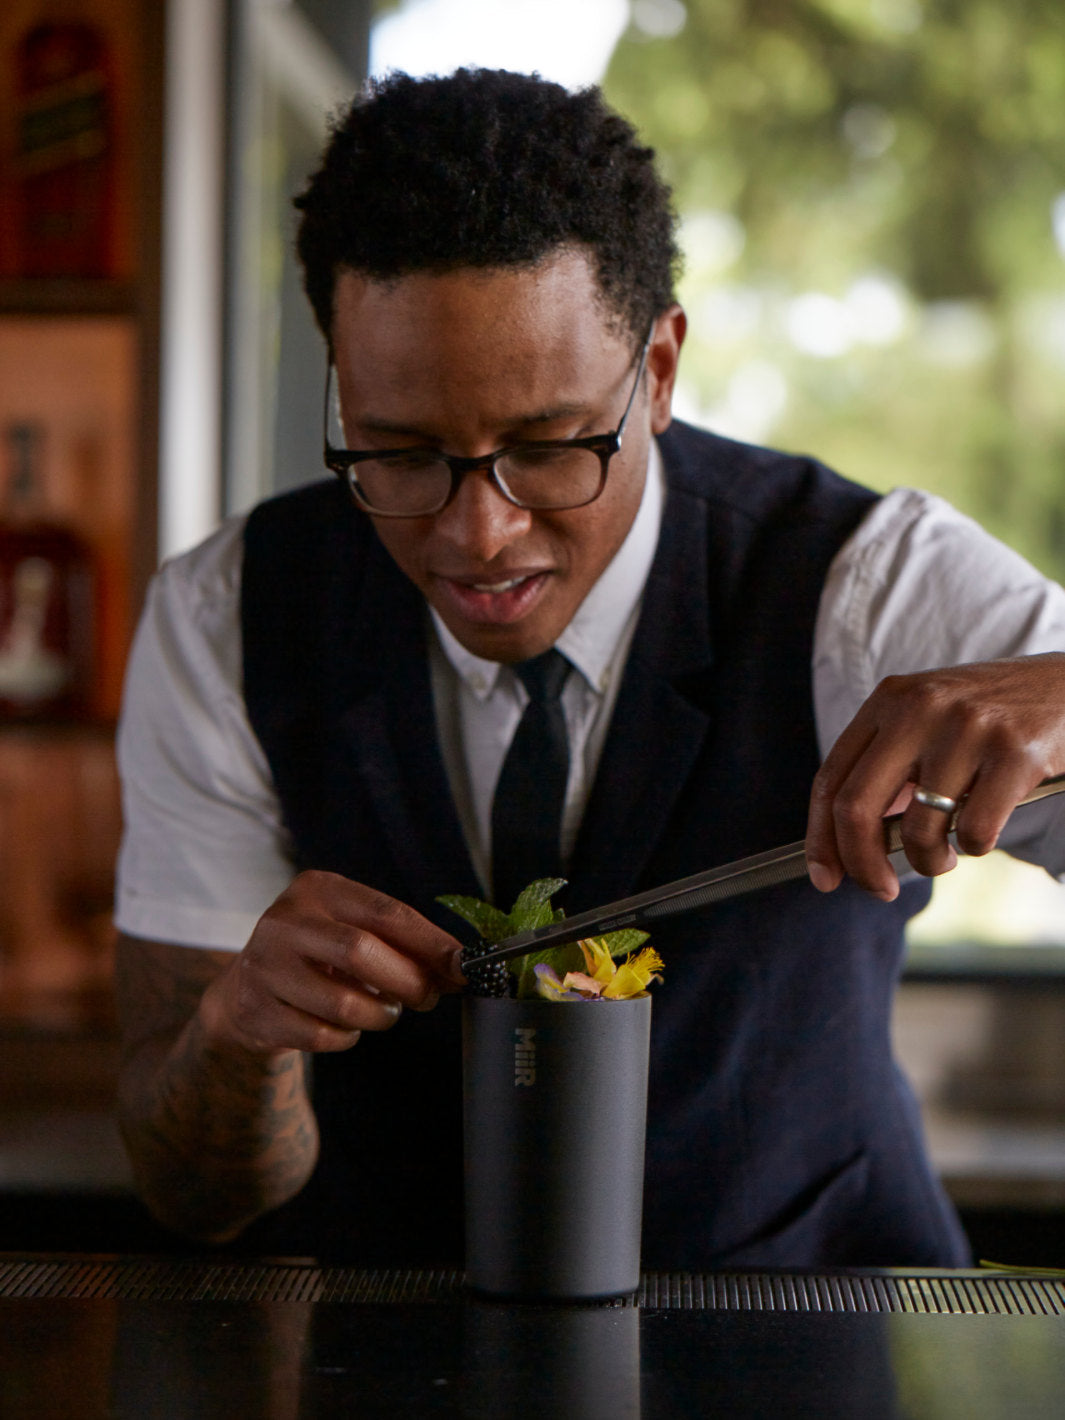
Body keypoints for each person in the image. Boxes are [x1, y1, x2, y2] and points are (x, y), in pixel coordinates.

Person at [113, 68, 1065, 1269]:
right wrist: (238, 1036)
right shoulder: (226, 619)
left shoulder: (865, 581)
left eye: (550, 445)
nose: (478, 534)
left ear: (658, 370)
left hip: (815, 1318)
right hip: (386, 1341)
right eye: (400, 452)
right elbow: (194, 1195)